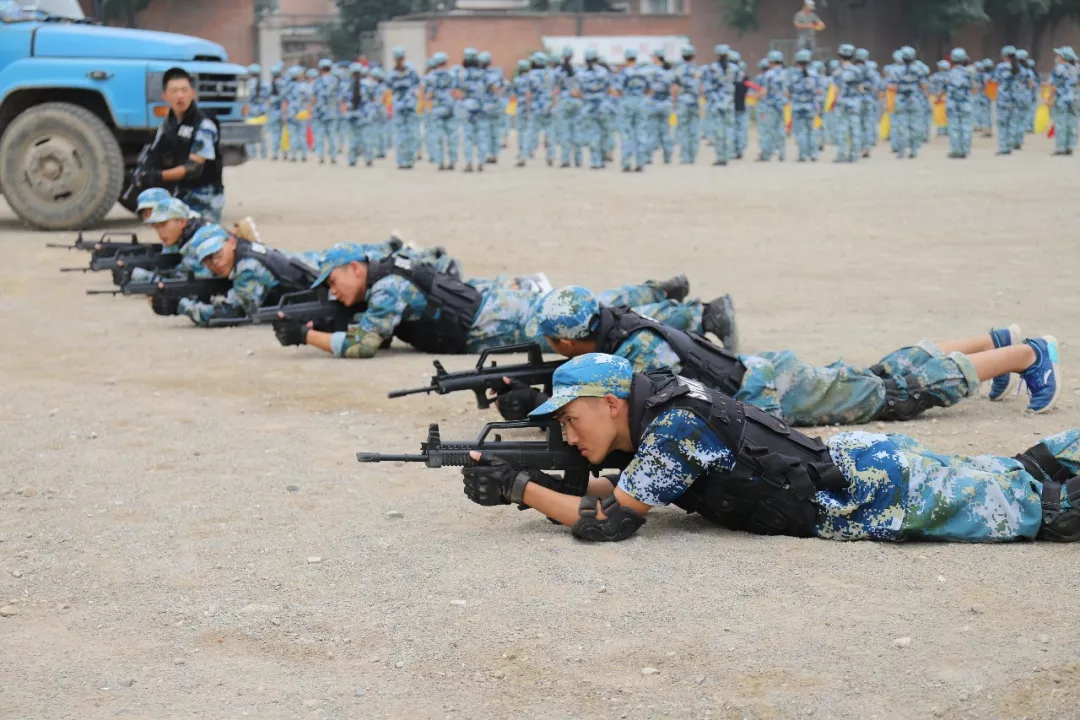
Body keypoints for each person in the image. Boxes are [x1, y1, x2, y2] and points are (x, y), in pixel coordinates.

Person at [459, 353, 1080, 545]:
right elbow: (635, 488)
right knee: (1024, 472)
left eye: (571, 419)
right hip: (862, 466)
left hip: (871, 493)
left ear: (610, 404)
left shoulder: (671, 428)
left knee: (1046, 511)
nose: (567, 435)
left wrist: (523, 491)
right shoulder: (664, 411)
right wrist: (548, 483)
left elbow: (613, 521)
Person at [511, 286, 1061, 425]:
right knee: (881, 375)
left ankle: (1027, 355)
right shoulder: (621, 323)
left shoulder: (636, 350)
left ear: (567, 340)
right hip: (768, 374)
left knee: (897, 392)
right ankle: (996, 341)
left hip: (771, 388)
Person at [274, 244, 699, 359]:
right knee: (596, 308)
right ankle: (657, 292)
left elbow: (365, 345)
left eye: (333, 282)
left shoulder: (387, 290)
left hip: (496, 323)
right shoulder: (391, 268)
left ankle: (692, 316)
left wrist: (307, 336)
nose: (334, 292)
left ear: (353, 267)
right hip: (495, 304)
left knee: (593, 328)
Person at [153, 226, 324, 326]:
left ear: (232, 243)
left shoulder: (247, 268)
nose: (215, 264)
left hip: (323, 284)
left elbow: (232, 313)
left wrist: (181, 306)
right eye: (207, 260)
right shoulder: (244, 250)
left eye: (217, 254)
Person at [138, 68, 225, 222]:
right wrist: (144, 171)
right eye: (174, 91)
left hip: (205, 195)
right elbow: (155, 151)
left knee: (202, 240)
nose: (180, 96)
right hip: (181, 192)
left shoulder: (204, 125)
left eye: (184, 90)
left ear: (193, 93)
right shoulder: (168, 124)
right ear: (165, 96)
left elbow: (193, 168)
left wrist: (158, 176)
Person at [701, 45, 740, 166]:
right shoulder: (735, 68)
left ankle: (721, 157)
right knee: (729, 128)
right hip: (729, 102)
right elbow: (738, 82)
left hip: (716, 102)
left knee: (718, 130)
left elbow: (706, 86)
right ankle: (729, 153)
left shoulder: (711, 68)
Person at [575, 49, 614, 170]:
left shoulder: (580, 73)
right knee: (605, 132)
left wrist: (586, 98)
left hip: (588, 107)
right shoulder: (604, 72)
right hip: (603, 105)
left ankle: (595, 161)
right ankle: (603, 157)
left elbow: (576, 92)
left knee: (592, 134)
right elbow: (610, 89)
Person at [614, 49, 650, 172]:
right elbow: (649, 90)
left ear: (626, 59)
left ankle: (626, 163)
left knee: (626, 133)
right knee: (641, 132)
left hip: (627, 101)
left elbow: (617, 90)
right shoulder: (644, 72)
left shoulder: (624, 73)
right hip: (640, 102)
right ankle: (640, 163)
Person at [387, 47, 421, 169]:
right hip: (410, 105)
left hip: (399, 106)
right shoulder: (412, 73)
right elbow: (418, 88)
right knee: (412, 134)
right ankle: (410, 160)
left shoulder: (391, 74)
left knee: (400, 135)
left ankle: (401, 161)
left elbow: (389, 90)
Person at [757, 50, 789, 162]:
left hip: (770, 105)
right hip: (783, 105)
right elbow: (789, 91)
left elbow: (764, 91)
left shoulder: (769, 74)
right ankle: (782, 154)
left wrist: (758, 97)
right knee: (781, 129)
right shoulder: (787, 73)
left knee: (769, 130)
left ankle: (766, 154)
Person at [789, 49, 820, 161]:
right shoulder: (815, 74)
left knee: (800, 131)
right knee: (812, 130)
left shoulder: (792, 74)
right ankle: (814, 154)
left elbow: (788, 91)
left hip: (797, 106)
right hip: (811, 106)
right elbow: (819, 91)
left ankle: (802, 155)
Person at [673, 45, 702, 164]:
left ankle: (685, 157)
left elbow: (675, 87)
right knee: (694, 128)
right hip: (694, 102)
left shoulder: (678, 70)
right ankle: (693, 156)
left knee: (683, 129)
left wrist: (674, 101)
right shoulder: (698, 70)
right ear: (693, 56)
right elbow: (701, 88)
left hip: (682, 102)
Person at [945, 48, 976, 158]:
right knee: (966, 127)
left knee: (954, 128)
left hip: (952, 104)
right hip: (966, 104)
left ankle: (956, 150)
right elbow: (975, 89)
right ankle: (965, 150)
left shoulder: (949, 74)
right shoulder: (970, 73)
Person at [1049, 47, 1079, 156]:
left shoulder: (1058, 69)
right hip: (1075, 99)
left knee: (1061, 123)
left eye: (1059, 55)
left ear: (1063, 57)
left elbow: (1053, 85)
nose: (1057, 58)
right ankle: (1070, 146)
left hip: (1062, 99)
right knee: (1072, 123)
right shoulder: (1077, 68)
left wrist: (1049, 98)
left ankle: (1060, 148)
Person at [310, 59, 338, 164]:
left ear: (320, 69)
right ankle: (333, 156)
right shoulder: (335, 80)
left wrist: (312, 109)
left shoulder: (317, 81)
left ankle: (320, 156)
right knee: (332, 135)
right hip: (332, 111)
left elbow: (314, 97)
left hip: (319, 112)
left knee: (319, 135)